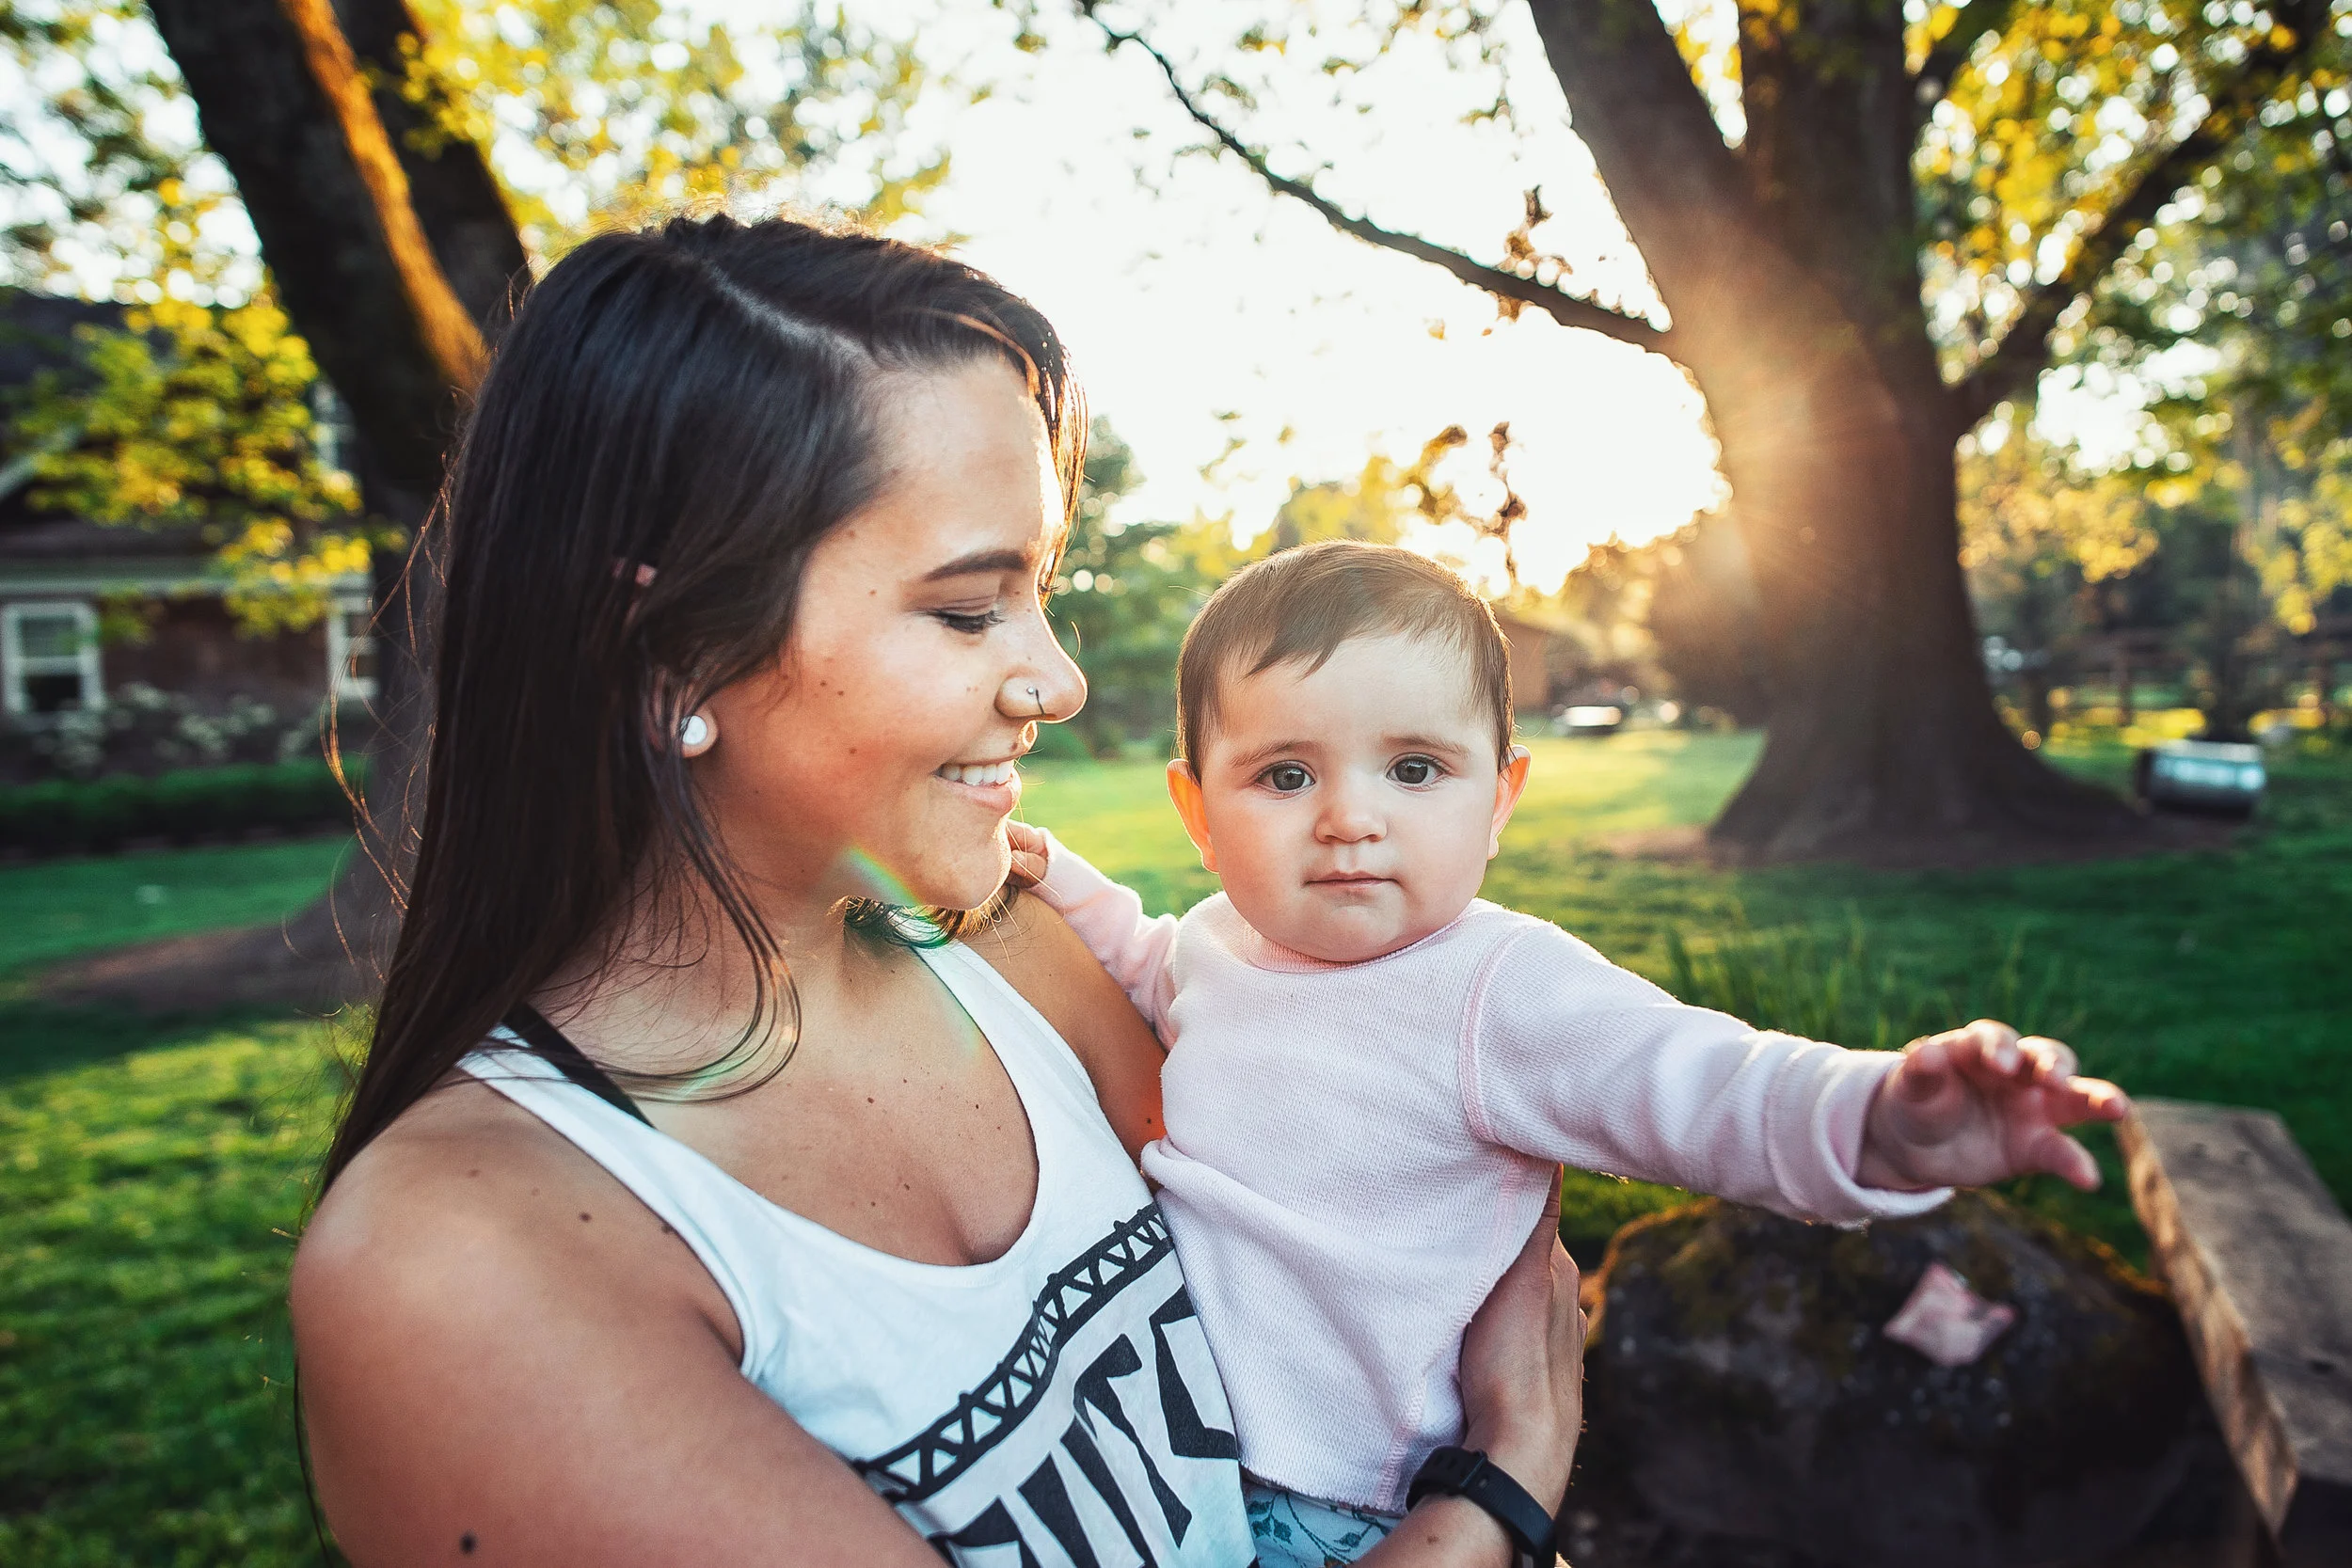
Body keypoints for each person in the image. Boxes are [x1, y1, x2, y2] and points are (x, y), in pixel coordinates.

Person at [289, 214, 1584, 1567]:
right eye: (969, 609)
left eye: (1041, 592)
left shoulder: (1010, 947)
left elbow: (1347, 1240)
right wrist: (1506, 1474)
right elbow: (1498, 1386)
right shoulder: (465, 1261)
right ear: (670, 650)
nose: (1058, 681)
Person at [1006, 541, 2132, 1566]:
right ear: (1199, 813)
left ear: (1499, 798)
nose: (1349, 816)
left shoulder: (1495, 987)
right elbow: (1142, 961)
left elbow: (1701, 1082)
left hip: (1340, 1503)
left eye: (1413, 768)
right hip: (1165, 1459)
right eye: (1285, 775)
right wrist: (1056, 875)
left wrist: (1883, 1114)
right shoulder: (1218, 941)